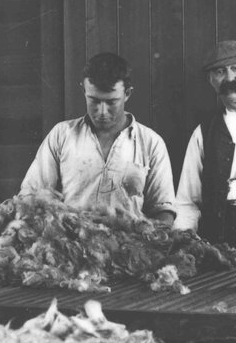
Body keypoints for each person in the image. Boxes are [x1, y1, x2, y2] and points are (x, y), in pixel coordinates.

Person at [19, 52, 175, 223]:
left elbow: (163, 210)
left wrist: (154, 240)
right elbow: (31, 195)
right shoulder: (61, 135)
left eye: (111, 102)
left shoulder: (151, 143)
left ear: (128, 94)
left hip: (131, 246)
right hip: (72, 245)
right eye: (93, 100)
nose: (101, 112)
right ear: (84, 90)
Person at [173, 40, 236, 248]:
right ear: (211, 80)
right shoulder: (203, 133)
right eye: (220, 72)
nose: (229, 78)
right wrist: (182, 245)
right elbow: (186, 202)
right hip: (218, 240)